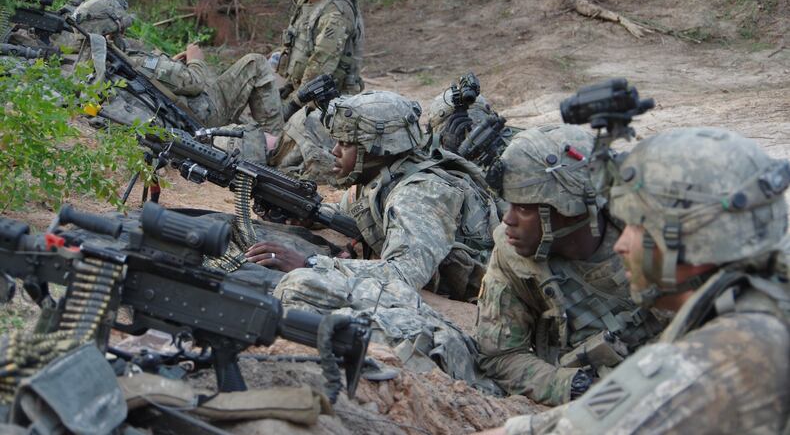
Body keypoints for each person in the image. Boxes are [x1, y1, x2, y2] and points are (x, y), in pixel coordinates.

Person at [481, 127, 790, 434]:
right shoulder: (760, 296)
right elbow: (502, 357)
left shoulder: (715, 358)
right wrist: (569, 386)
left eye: (637, 227)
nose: (622, 244)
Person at [247, 90, 500, 302]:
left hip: (480, 294)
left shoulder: (418, 195)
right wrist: (300, 210)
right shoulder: (380, 177)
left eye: (346, 144)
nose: (334, 151)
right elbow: (346, 213)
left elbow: (403, 275)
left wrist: (310, 263)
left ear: (378, 149)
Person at [474, 124, 665, 406]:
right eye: (510, 205)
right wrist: (568, 386)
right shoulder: (513, 257)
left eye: (525, 208)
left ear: (568, 208)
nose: (507, 220)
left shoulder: (651, 230)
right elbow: (499, 355)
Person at [65, 0, 284, 135]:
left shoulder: (93, 64)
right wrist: (196, 58)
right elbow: (195, 83)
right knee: (255, 62)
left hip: (178, 112)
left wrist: (171, 63)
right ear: (113, 31)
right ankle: (272, 143)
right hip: (202, 115)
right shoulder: (132, 61)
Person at [275, 0, 364, 102]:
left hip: (329, 101)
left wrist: (294, 103)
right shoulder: (306, 1)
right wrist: (290, 85)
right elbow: (300, 50)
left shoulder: (337, 11)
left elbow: (321, 65)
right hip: (302, 90)